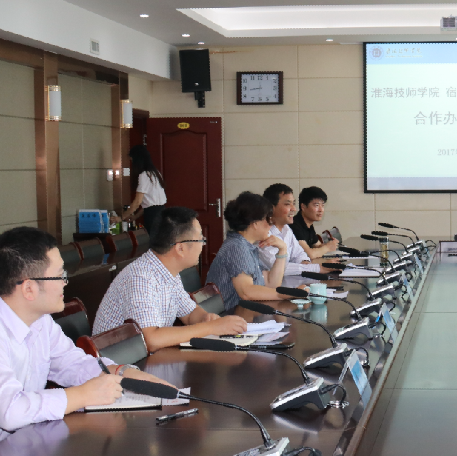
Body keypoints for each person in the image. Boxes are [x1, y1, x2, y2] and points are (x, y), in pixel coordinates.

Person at [0, 227, 175, 435]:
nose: (65, 283)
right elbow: (10, 411)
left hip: (11, 446)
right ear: (28, 288)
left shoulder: (38, 319)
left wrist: (124, 374)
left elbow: (73, 364)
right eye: (59, 275)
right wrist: (82, 395)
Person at [93, 206, 248, 350]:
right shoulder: (141, 278)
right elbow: (150, 339)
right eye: (200, 239)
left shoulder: (168, 272)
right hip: (119, 365)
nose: (203, 244)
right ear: (180, 248)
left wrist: (206, 318)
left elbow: (189, 313)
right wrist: (210, 328)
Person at [207, 191, 303, 311]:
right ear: (255, 223)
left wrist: (282, 250)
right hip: (230, 315)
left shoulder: (249, 247)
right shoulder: (236, 247)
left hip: (245, 312)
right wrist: (291, 293)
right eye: (268, 220)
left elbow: (271, 284)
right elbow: (247, 292)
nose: (271, 225)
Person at [256, 183, 310, 270]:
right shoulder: (263, 233)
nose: (294, 209)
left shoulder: (286, 229)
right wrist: (314, 268)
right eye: (287, 204)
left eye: (294, 203)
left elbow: (299, 254)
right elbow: (277, 267)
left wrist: (306, 264)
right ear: (271, 208)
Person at [117, 145, 167, 234]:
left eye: (132, 160)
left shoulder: (144, 175)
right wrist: (135, 216)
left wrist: (121, 218)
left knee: (152, 239)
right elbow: (149, 203)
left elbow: (137, 202)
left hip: (152, 215)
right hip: (161, 213)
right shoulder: (156, 173)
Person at [291, 186, 340, 259]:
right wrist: (327, 247)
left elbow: (317, 245)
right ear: (303, 207)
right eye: (316, 205)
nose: (321, 210)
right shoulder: (294, 225)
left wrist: (331, 244)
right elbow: (309, 254)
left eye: (322, 205)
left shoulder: (309, 224)